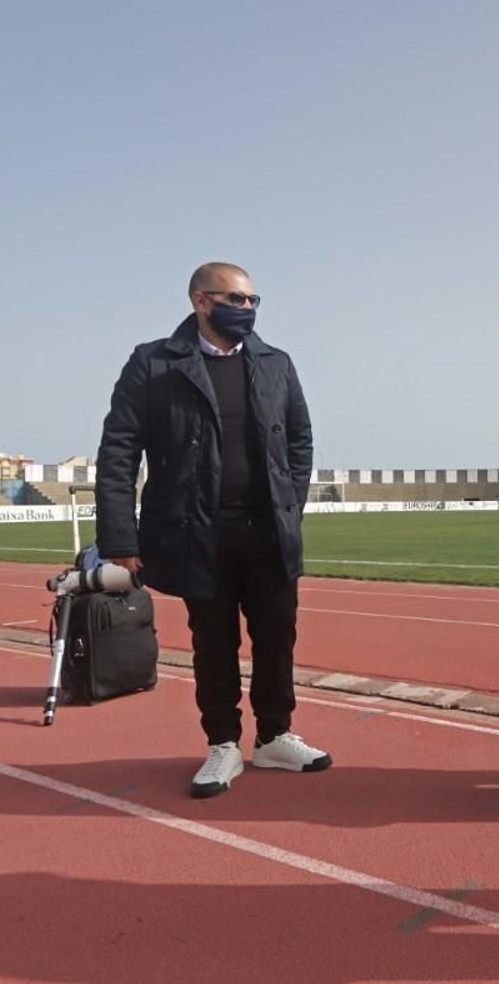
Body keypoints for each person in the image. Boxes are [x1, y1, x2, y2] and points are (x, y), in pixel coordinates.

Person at [96, 262, 329, 799]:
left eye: (252, 301)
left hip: (268, 530)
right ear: (201, 301)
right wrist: (120, 538)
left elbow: (300, 440)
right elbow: (119, 452)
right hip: (196, 531)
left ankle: (274, 736)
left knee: (277, 638)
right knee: (214, 641)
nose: (246, 309)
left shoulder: (276, 363)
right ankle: (223, 743)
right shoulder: (154, 363)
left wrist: (288, 504)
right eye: (235, 300)